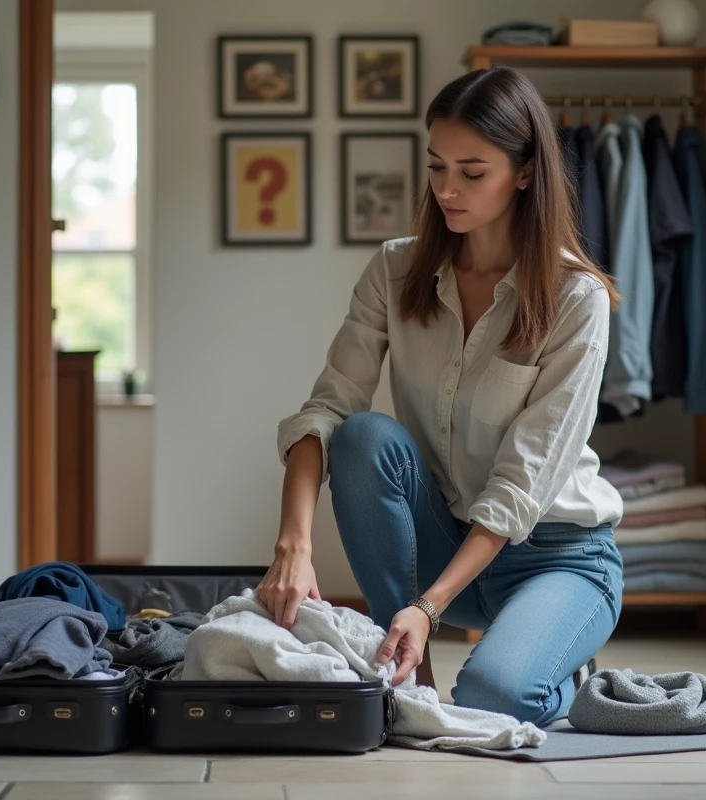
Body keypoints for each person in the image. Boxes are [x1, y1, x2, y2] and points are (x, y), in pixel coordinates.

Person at [257, 65, 625, 727]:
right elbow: (328, 408)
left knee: (497, 697)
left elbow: (522, 482)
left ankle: (559, 667)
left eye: (471, 171)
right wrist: (294, 543)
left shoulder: (577, 299)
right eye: (436, 167)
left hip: (556, 556)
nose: (446, 189)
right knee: (365, 437)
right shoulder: (396, 270)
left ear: (524, 172)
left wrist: (429, 608)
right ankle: (410, 674)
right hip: (445, 540)